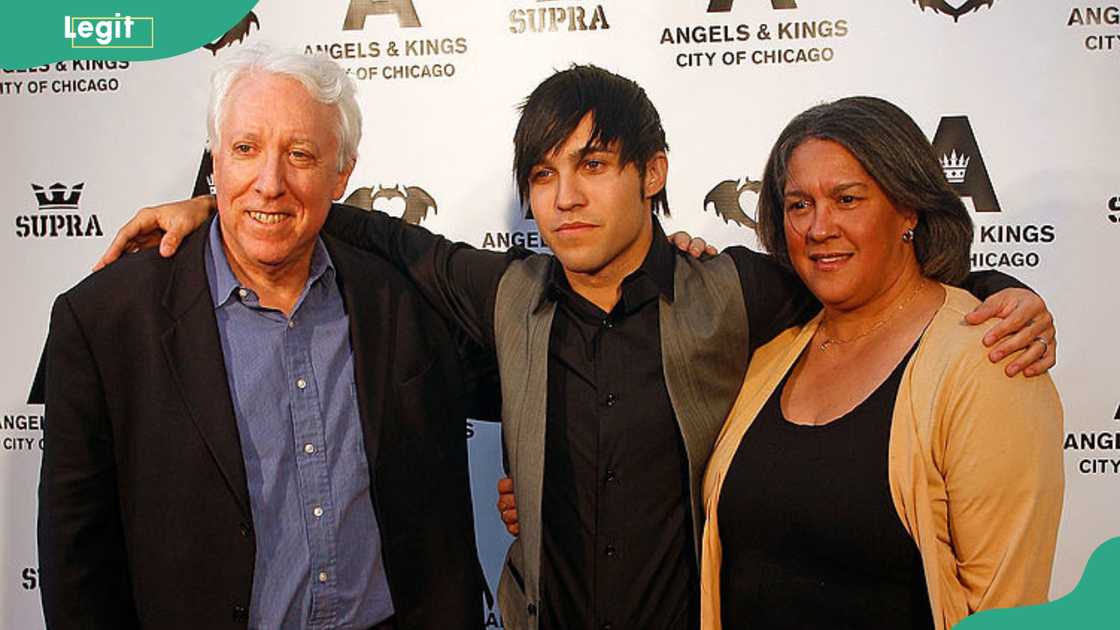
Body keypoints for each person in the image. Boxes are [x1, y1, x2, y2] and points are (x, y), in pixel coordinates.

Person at [97, 66, 1057, 630]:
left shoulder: (736, 292)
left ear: (653, 172)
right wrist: (214, 206)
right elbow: (370, 231)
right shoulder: (502, 295)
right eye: (545, 174)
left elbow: (870, 281)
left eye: (594, 166)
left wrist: (1000, 292)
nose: (565, 198)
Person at [38, 46, 497, 630]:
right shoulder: (104, 320)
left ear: (343, 172)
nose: (269, 182)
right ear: (215, 160)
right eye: (245, 150)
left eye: (300, 155)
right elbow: (75, 555)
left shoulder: (403, 297)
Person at [698, 97, 1064, 630]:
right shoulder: (768, 356)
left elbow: (1009, 611)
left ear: (908, 209)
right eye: (799, 205)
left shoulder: (990, 359)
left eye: (847, 199)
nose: (818, 228)